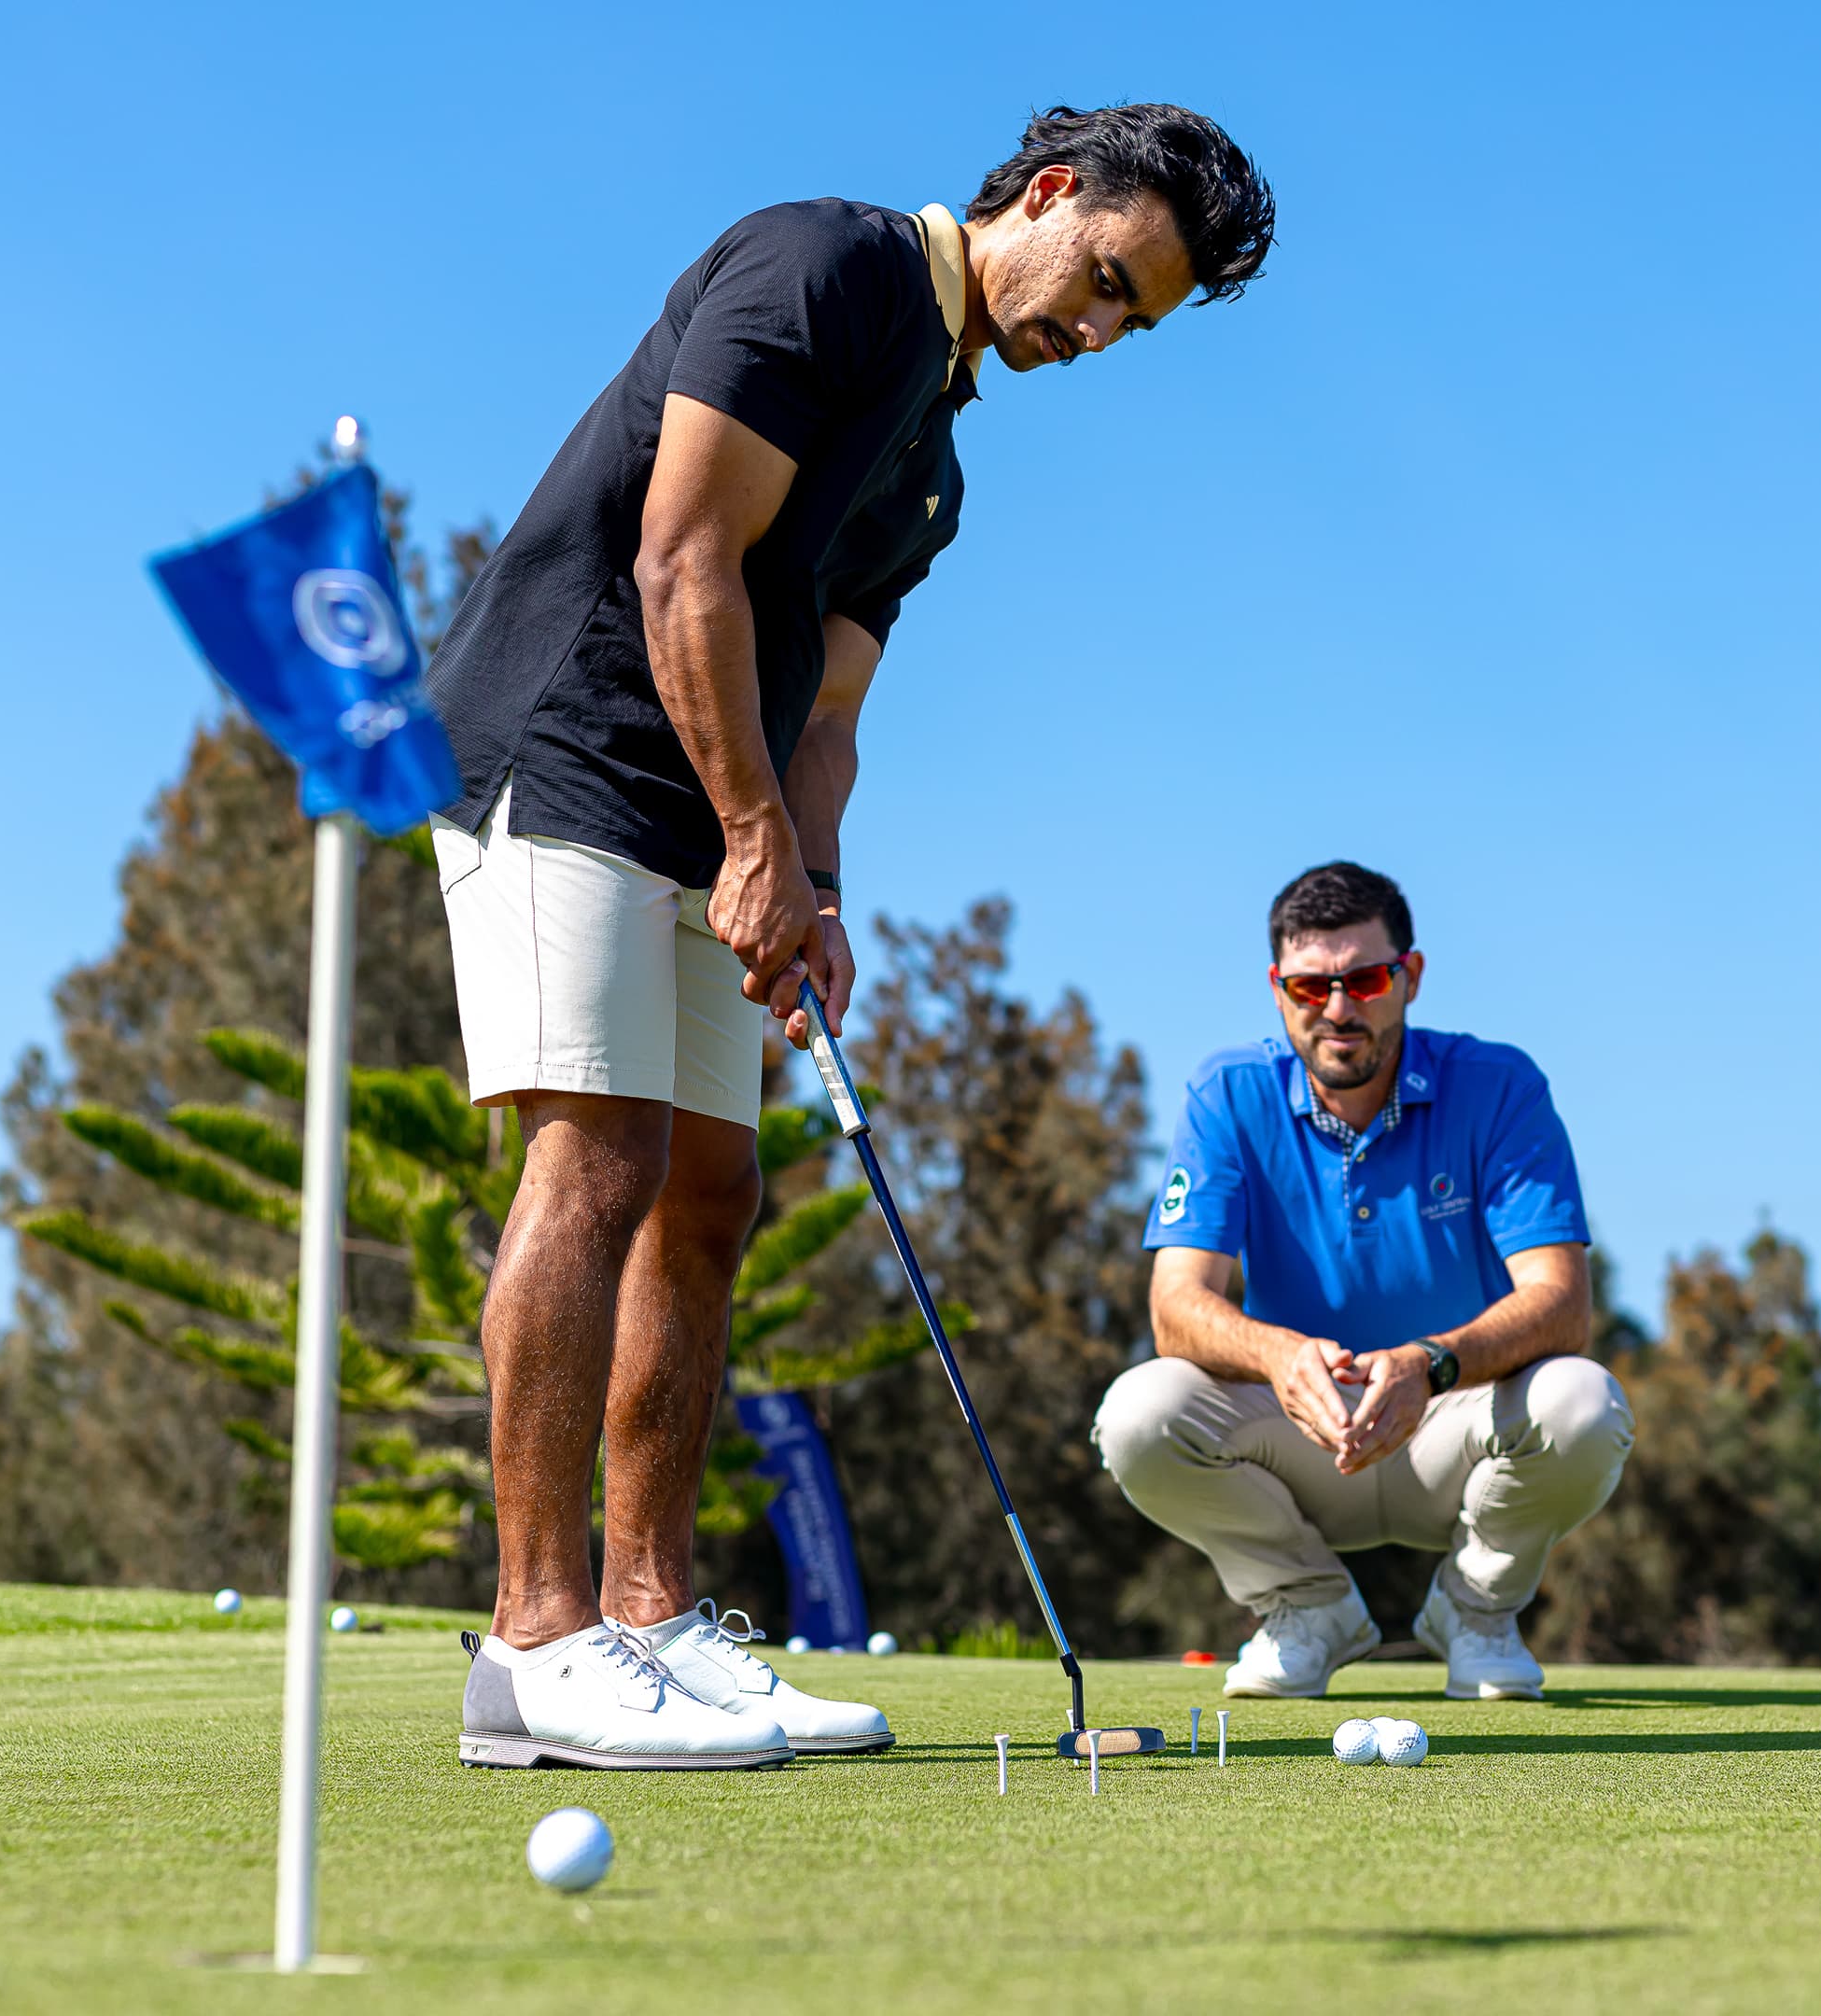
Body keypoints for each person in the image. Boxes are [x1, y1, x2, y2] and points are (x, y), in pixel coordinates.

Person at [424, 105, 1277, 1769]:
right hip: (566, 747)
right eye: (1104, 280)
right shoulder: (824, 266)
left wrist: (811, 883)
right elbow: (683, 562)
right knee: (595, 1157)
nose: (1094, 334)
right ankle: (533, 1645)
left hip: (708, 805)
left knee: (714, 1191)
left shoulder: (934, 466)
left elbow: (830, 712)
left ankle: (653, 1623)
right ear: (1045, 194)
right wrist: (752, 840)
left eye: (1131, 324)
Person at [1092, 862, 1633, 1701]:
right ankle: (1308, 1608)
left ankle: (1476, 1612)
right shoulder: (1227, 1093)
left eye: (1366, 979)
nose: (1338, 1008)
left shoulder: (1499, 1087)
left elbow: (1561, 1301)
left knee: (1583, 1401)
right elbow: (1176, 1307)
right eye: (1311, 986)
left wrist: (1429, 1363)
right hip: (1304, 1431)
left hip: (1457, 1421)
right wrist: (1278, 1355)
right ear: (1278, 989)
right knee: (1139, 1411)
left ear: (1409, 978)